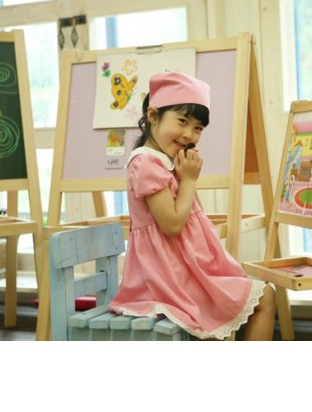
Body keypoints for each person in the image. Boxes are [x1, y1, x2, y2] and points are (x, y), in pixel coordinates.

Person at [108, 71, 276, 340]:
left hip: (186, 269)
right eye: (182, 121)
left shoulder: (165, 160)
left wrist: (184, 176)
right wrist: (188, 180)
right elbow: (173, 225)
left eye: (198, 128)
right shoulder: (146, 163)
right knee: (265, 297)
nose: (189, 134)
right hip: (168, 278)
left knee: (260, 296)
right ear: (153, 115)